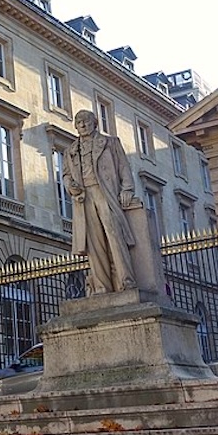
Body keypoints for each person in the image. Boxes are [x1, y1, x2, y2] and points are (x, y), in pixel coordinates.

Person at [64, 109, 138, 295]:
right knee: (94, 244)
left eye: (86, 121)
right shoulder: (71, 150)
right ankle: (101, 287)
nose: (82, 124)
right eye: (79, 122)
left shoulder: (110, 143)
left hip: (105, 192)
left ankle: (126, 281)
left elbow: (123, 167)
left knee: (115, 236)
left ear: (95, 123)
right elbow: (65, 174)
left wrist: (127, 188)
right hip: (83, 197)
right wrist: (69, 185)